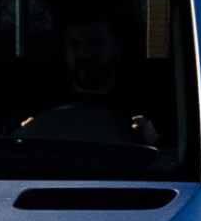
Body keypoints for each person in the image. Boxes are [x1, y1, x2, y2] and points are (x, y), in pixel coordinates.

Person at [18, 11, 159, 146]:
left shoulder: (141, 104)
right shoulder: (44, 105)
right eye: (76, 44)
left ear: (116, 51)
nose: (85, 53)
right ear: (64, 53)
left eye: (95, 44)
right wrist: (30, 132)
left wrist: (149, 137)